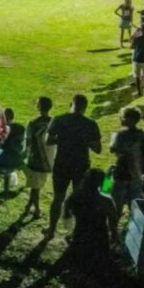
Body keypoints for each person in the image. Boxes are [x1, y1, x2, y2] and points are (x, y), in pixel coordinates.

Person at [44, 94, 102, 240]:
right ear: (85, 107)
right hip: (81, 166)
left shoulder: (59, 119)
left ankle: (51, 230)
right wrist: (84, 140)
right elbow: (98, 149)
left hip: (62, 164)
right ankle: (76, 232)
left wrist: (62, 139)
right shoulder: (90, 124)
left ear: (71, 104)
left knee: (58, 198)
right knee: (79, 200)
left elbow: (48, 141)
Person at [62, 169, 119, 278]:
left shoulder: (75, 197)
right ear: (101, 183)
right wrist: (115, 237)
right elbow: (113, 222)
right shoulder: (105, 200)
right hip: (99, 241)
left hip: (80, 237)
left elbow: (67, 213)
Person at [109, 107, 144, 217]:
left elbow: (113, 149)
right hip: (137, 174)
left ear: (129, 119)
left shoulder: (120, 135)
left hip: (121, 173)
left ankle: (114, 222)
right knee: (134, 204)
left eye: (123, 117)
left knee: (116, 203)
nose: (121, 119)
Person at [23, 96, 55, 219]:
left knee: (35, 187)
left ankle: (36, 209)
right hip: (49, 158)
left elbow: (28, 142)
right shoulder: (53, 122)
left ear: (39, 107)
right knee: (36, 186)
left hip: (35, 158)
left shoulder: (32, 123)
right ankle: (30, 207)